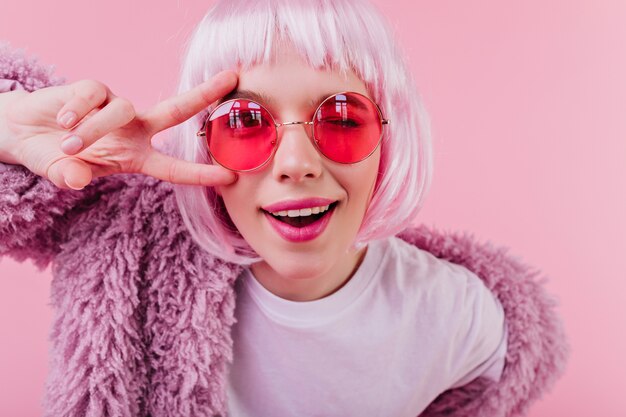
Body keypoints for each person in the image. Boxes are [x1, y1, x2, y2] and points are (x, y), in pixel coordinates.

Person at [0, 0, 569, 416]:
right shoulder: (127, 246)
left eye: (342, 119)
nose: (296, 163)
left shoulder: (461, 318)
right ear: (200, 142)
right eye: (244, 123)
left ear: (391, 137)